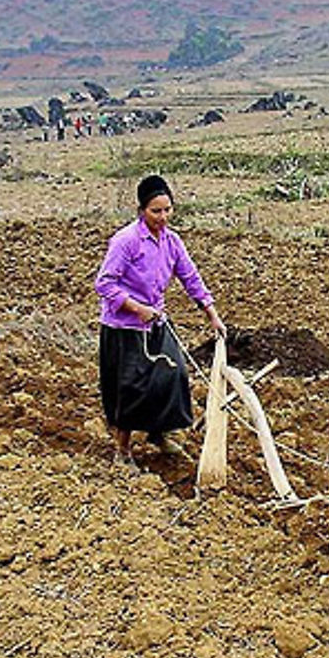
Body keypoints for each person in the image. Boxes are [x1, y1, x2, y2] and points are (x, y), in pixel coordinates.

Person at [95, 174, 226, 469]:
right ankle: (122, 450)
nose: (163, 217)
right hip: (124, 328)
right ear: (142, 210)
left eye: (167, 210)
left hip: (155, 321)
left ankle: (160, 434)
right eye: (156, 211)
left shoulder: (172, 241)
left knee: (173, 375)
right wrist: (135, 307)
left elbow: (191, 278)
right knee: (129, 388)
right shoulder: (126, 241)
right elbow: (104, 284)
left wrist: (212, 315)